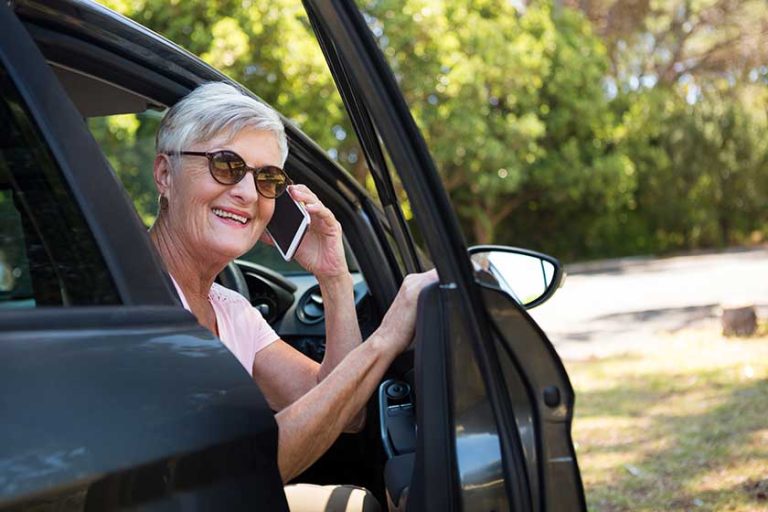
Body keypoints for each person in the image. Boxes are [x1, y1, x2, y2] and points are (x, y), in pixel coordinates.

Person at [149, 82, 437, 510]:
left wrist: (333, 276)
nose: (248, 193)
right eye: (225, 165)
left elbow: (344, 411)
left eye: (266, 178)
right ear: (165, 175)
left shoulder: (232, 310)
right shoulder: (134, 298)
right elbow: (237, 471)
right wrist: (386, 338)